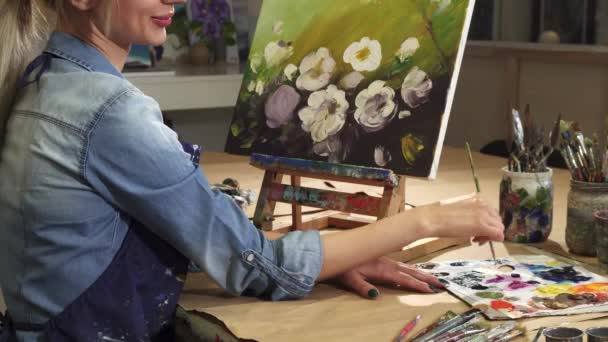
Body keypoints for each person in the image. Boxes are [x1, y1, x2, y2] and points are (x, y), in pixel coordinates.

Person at [0, 0, 505, 340]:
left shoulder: (48, 79)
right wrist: (429, 221)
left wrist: (338, 254)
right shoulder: (110, 109)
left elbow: (166, 228)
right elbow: (255, 265)